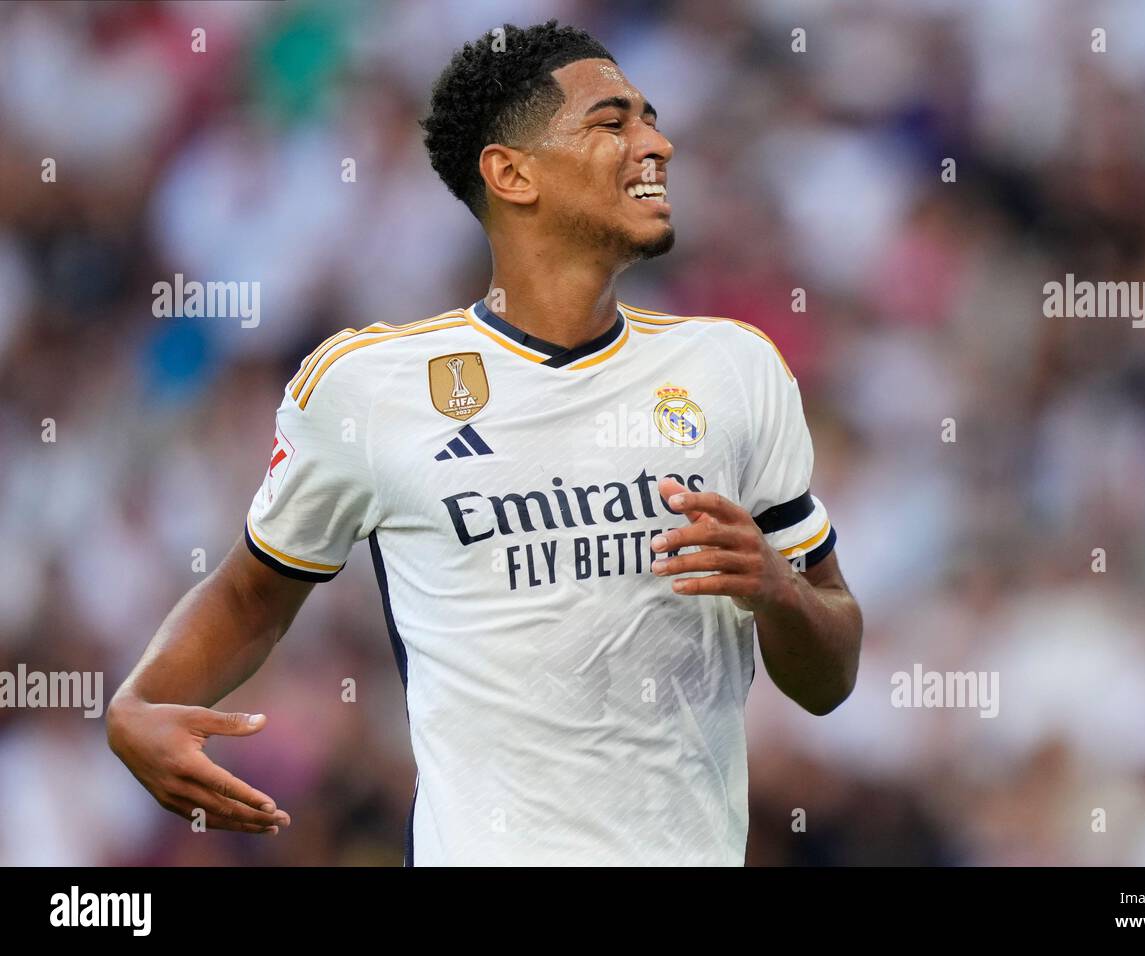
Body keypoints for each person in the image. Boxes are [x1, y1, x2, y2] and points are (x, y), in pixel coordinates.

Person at [108, 20, 862, 866]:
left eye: (649, 117)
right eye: (613, 122)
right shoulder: (370, 386)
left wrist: (778, 591)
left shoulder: (736, 367)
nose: (657, 142)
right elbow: (252, 597)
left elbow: (832, 674)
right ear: (511, 173)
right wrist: (140, 703)